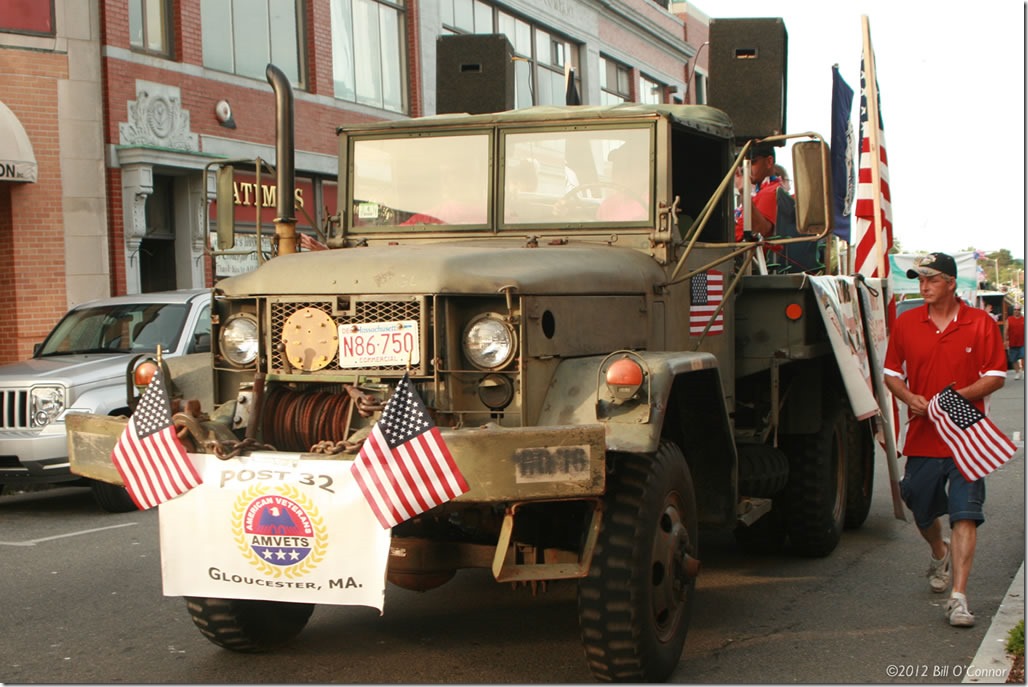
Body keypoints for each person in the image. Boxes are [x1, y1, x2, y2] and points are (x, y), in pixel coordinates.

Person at [883, 252, 1007, 628]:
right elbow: (891, 373)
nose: (923, 287)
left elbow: (997, 374)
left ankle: (959, 597)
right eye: (920, 280)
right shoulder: (907, 323)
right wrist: (909, 398)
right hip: (923, 435)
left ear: (951, 283)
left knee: (965, 513)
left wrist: (956, 398)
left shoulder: (980, 322)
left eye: (931, 280)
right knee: (920, 506)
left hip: (967, 435)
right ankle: (939, 551)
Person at [734, 141, 784, 241]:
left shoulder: (771, 191)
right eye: (743, 164)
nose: (746, 169)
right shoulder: (760, 190)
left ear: (769, 162)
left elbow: (762, 229)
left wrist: (744, 192)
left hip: (742, 254)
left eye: (752, 162)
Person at [1006, 305, 1025, 379]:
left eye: (1018, 310)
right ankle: (1017, 372)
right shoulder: (1009, 319)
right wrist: (1005, 340)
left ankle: (1023, 371)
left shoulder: (1024, 319)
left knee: (1024, 357)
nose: (1017, 311)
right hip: (1012, 342)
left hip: (1023, 342)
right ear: (1013, 311)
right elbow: (1006, 330)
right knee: (1013, 359)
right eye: (1015, 310)